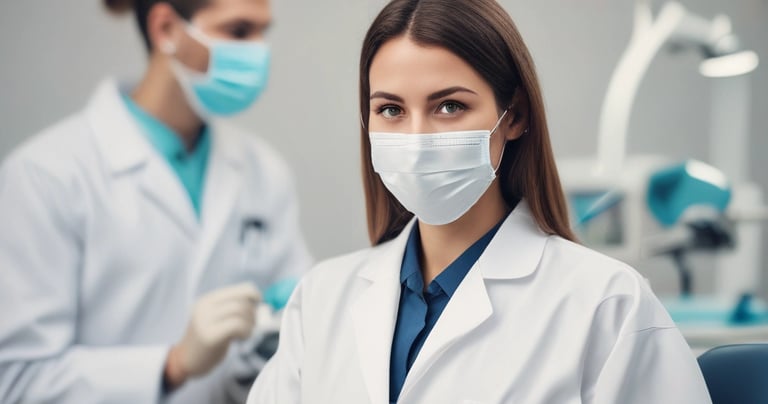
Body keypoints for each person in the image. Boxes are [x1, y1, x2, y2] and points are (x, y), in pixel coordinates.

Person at [246, 0, 712, 403]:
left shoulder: (607, 306)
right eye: (391, 109)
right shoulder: (322, 299)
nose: (417, 138)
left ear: (514, 116)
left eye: (449, 106)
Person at [0, 0, 312, 403]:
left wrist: (295, 324)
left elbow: (288, 346)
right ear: (166, 29)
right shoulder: (47, 175)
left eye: (261, 32)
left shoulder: (263, 171)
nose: (258, 52)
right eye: (238, 32)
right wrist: (173, 364)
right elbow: (18, 379)